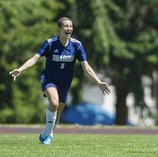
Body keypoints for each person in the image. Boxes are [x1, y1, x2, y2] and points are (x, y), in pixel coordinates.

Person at [9, 17, 111, 145]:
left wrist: (99, 82)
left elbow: (87, 68)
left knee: (57, 116)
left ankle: (46, 133)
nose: (69, 28)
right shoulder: (50, 43)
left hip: (65, 82)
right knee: (54, 102)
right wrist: (20, 69)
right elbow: (34, 59)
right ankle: (48, 134)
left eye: (71, 26)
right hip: (49, 79)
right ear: (59, 29)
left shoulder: (77, 45)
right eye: (66, 26)